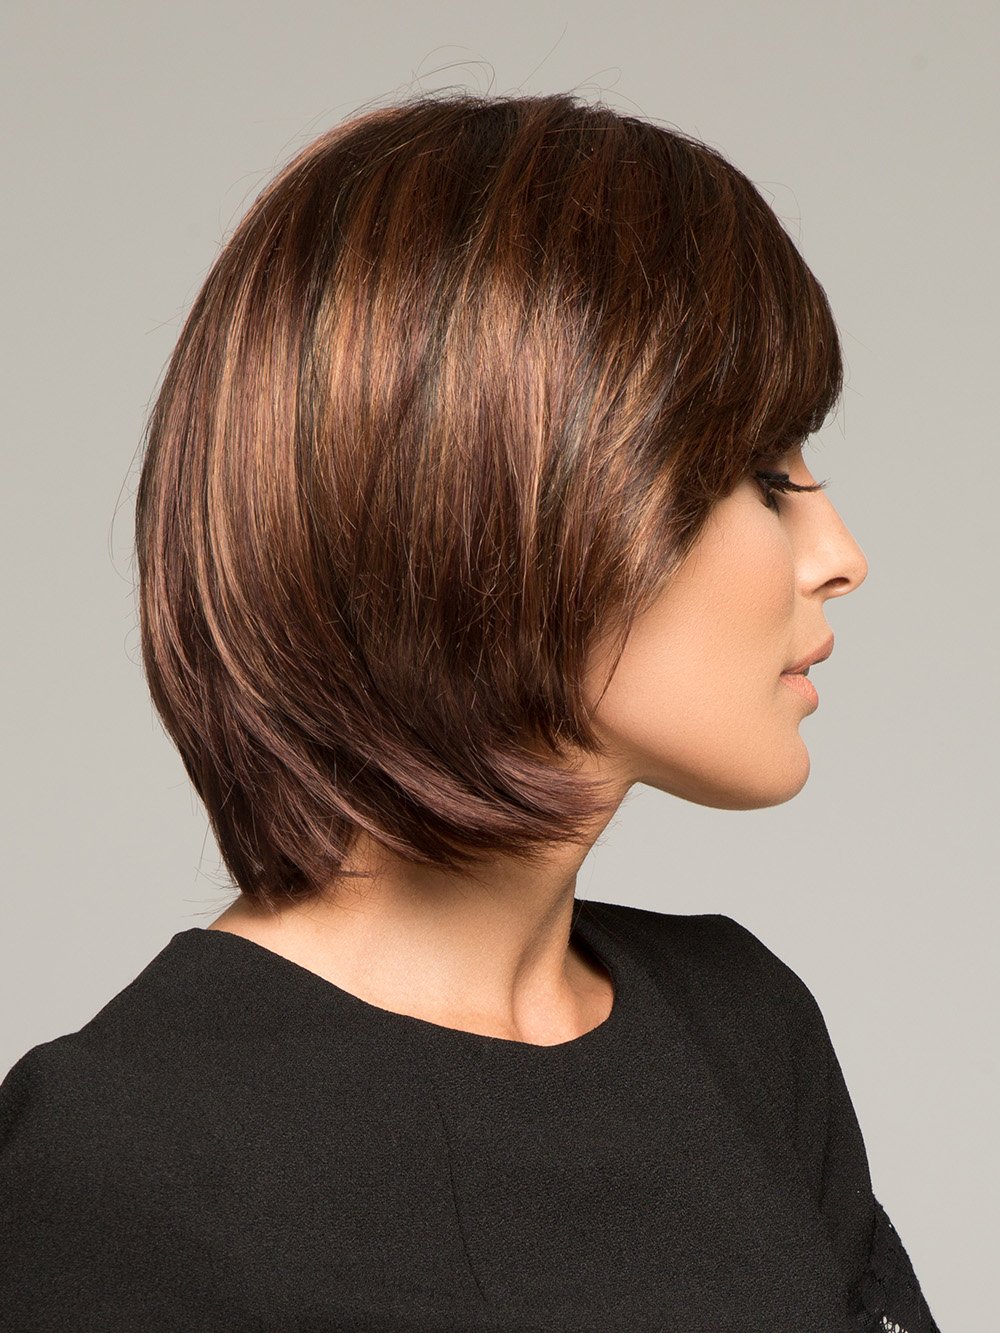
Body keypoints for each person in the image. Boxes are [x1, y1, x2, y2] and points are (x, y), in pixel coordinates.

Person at [0, 91, 941, 1331]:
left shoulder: (744, 1030)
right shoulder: (122, 1156)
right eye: (766, 476)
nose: (839, 554)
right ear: (509, 493)